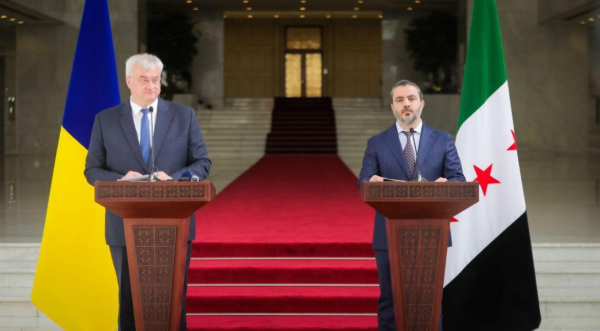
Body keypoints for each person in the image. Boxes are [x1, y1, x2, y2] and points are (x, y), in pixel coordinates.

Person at [84, 53, 211, 330]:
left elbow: (202, 162)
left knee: (174, 305)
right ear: (129, 81)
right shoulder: (106, 120)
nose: (152, 86)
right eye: (144, 80)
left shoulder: (183, 115)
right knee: (130, 304)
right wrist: (120, 179)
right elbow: (92, 170)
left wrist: (175, 178)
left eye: (156, 80)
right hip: (123, 226)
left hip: (175, 225)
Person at [358, 80, 465, 330]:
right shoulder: (377, 143)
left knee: (429, 299)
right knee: (389, 298)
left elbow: (459, 179)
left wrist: (445, 184)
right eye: (399, 99)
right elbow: (362, 184)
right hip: (387, 234)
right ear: (392, 107)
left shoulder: (443, 140)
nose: (406, 103)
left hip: (432, 235)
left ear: (421, 103)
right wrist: (369, 183)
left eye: (411, 98)